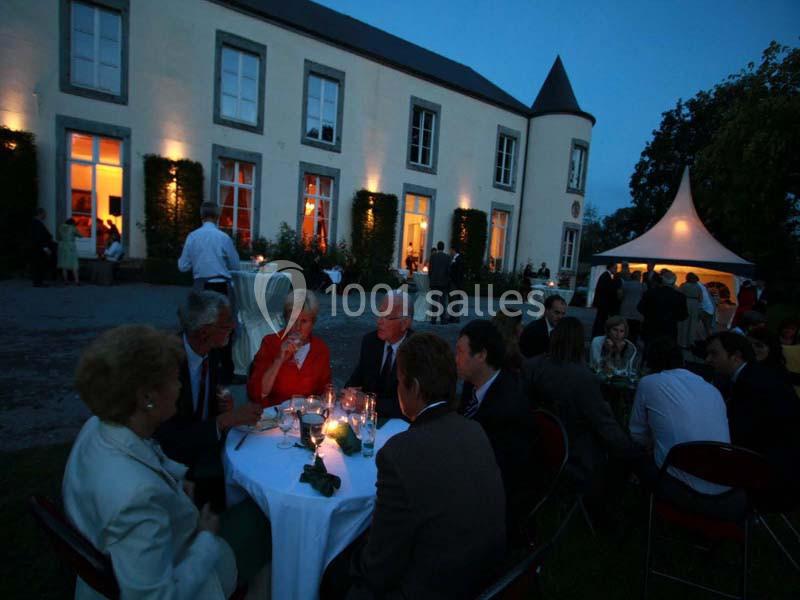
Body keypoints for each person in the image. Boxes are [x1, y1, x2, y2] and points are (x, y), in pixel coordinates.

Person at [63, 325, 269, 599]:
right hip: (192, 569)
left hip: (151, 549)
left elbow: (142, 453)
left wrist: (173, 479)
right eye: (174, 379)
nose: (181, 385)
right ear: (147, 398)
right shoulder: (135, 496)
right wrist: (206, 539)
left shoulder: (96, 427)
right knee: (271, 526)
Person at [328, 332, 506, 599]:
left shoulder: (400, 454)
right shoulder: (475, 430)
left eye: (400, 382)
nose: (398, 389)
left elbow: (377, 568)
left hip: (433, 588)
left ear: (414, 387)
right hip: (489, 578)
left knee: (331, 574)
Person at [522, 317, 639, 520]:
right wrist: (631, 449)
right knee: (624, 452)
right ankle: (606, 513)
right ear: (579, 343)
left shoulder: (534, 366)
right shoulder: (582, 378)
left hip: (539, 442)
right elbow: (604, 425)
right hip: (575, 450)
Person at [155, 291, 262, 511]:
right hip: (172, 463)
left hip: (205, 443)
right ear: (204, 332)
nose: (233, 326)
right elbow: (169, 436)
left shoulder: (212, 351)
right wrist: (223, 420)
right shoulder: (166, 365)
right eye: (225, 325)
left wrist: (221, 402)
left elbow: (212, 389)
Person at [629, 337, 746, 520]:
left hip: (679, 488)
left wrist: (653, 442)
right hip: (729, 494)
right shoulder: (712, 390)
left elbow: (636, 434)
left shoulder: (649, 382)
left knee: (631, 454)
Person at [455, 320, 532, 537]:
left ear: (481, 355)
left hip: (494, 503)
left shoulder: (506, 406)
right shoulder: (476, 383)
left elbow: (490, 467)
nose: (456, 359)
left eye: (460, 352)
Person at [706, 332, 800, 490]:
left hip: (773, 471)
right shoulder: (753, 375)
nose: (707, 359)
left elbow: (740, 432)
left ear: (736, 356)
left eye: (714, 353)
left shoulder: (751, 383)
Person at [178, 202, 240, 383]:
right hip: (220, 285)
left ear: (201, 216)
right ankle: (227, 372)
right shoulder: (222, 238)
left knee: (199, 327)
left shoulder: (193, 237)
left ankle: (200, 368)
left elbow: (182, 266)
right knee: (224, 327)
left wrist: (198, 263)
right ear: (218, 216)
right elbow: (235, 265)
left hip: (201, 286)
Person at [247, 290, 331, 406]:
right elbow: (256, 394)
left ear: (313, 323)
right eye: (293, 320)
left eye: (304, 321)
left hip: (306, 416)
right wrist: (279, 360)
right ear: (285, 319)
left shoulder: (320, 349)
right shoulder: (270, 343)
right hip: (274, 415)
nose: (297, 327)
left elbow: (324, 392)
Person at [345, 291, 413, 419]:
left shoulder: (416, 351)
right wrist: (350, 392)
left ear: (405, 323)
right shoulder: (371, 342)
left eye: (386, 317)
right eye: (379, 314)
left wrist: (368, 403)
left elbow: (410, 405)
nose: (379, 321)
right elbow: (356, 379)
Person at [637, 269, 688, 346]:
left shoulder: (650, 292)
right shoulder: (680, 296)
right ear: (674, 282)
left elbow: (640, 308)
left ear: (662, 280)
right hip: (669, 329)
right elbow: (683, 315)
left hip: (651, 328)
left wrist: (650, 315)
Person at [519, 294, 566, 358]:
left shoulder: (564, 329)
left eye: (563, 314)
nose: (560, 317)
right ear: (546, 311)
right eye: (556, 312)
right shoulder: (534, 330)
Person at [592, 262, 621, 337]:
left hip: (602, 303)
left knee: (600, 320)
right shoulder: (606, 277)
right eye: (615, 268)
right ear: (611, 268)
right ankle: (598, 334)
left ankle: (597, 334)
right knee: (601, 320)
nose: (616, 270)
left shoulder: (605, 276)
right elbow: (608, 291)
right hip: (603, 304)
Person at [427, 240, 451, 324]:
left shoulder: (433, 256)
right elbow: (448, 271)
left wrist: (431, 279)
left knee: (434, 301)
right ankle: (442, 319)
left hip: (434, 282)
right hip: (443, 283)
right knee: (442, 301)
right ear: (443, 248)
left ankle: (433, 319)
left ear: (437, 247)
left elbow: (430, 270)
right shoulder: (447, 257)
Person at [31, 207, 56, 287]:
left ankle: (38, 281)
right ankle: (38, 282)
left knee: (39, 265)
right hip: (39, 249)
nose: (45, 215)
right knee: (39, 265)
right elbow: (39, 237)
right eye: (44, 213)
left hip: (39, 248)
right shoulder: (37, 224)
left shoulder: (36, 223)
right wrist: (45, 248)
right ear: (40, 214)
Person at [678, 272, 703, 348]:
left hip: (685, 303)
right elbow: (701, 298)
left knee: (684, 324)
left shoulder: (684, 286)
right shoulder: (698, 287)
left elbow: (679, 295)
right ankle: (690, 342)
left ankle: (682, 342)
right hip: (695, 304)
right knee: (692, 324)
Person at [619, 271, 644, 343]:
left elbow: (620, 296)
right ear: (639, 277)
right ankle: (632, 348)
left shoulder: (625, 284)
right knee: (634, 333)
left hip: (625, 311)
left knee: (624, 332)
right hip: (637, 313)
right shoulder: (642, 286)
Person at [57, 217, 82, 285]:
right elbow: (80, 235)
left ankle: (66, 281)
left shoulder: (60, 227)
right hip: (70, 246)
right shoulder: (72, 228)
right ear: (73, 223)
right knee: (74, 264)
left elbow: (58, 237)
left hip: (62, 246)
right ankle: (77, 281)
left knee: (64, 264)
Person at [447, 244, 465, 323]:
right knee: (452, 300)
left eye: (451, 250)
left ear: (454, 250)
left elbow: (458, 273)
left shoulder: (459, 259)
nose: (450, 251)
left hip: (455, 283)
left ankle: (455, 318)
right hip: (453, 283)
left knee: (454, 300)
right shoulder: (455, 258)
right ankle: (452, 317)